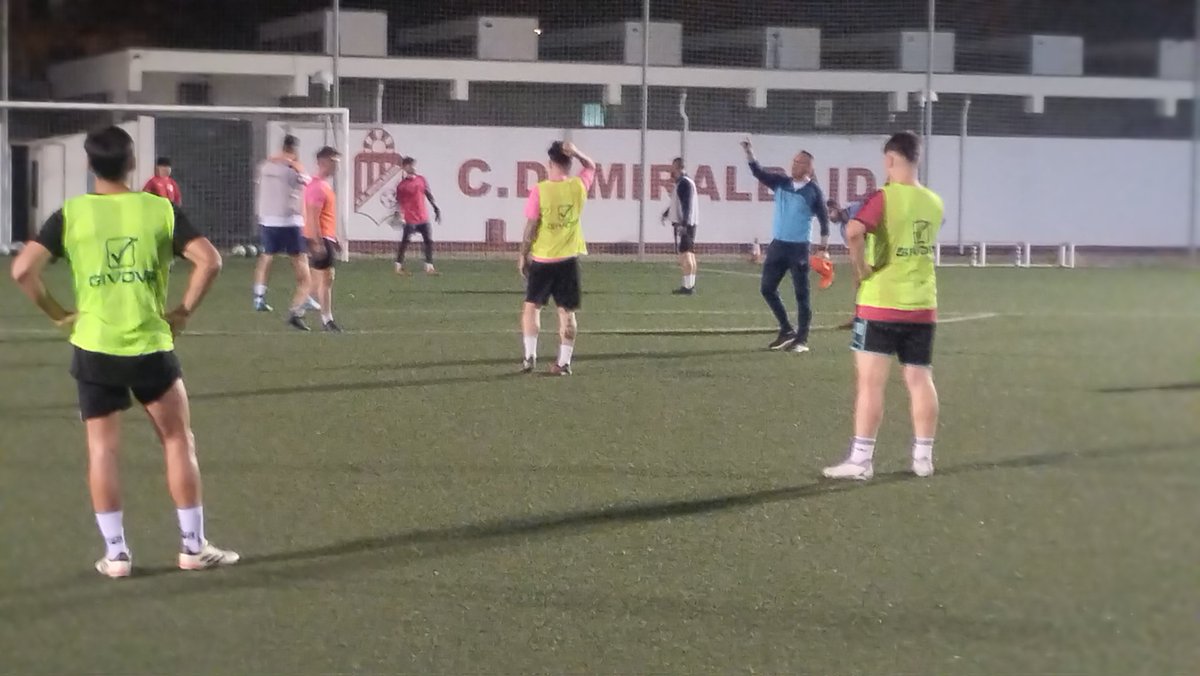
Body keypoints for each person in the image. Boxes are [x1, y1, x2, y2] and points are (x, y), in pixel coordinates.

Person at [10, 126, 238, 578]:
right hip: (150, 344)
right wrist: (183, 312)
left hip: (94, 347)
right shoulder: (159, 209)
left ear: (89, 165)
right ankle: (192, 547)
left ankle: (116, 555)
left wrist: (59, 314)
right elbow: (210, 260)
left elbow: (22, 270)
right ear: (133, 164)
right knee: (177, 440)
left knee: (102, 452)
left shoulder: (71, 214)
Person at [823, 132, 944, 481]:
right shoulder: (934, 202)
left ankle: (861, 460)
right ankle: (923, 457)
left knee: (871, 384)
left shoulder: (884, 197)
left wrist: (861, 269)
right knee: (920, 379)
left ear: (891, 160)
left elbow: (853, 231)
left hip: (880, 305)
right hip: (922, 304)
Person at [741, 138, 830, 353]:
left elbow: (824, 220)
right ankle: (786, 329)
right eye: (794, 161)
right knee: (767, 288)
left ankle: (802, 339)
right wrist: (749, 152)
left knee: (802, 294)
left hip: (798, 248)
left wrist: (823, 248)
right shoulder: (781, 182)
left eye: (799, 162)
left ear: (808, 167)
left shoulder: (813, 192)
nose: (794, 165)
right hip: (778, 246)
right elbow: (758, 172)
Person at [518, 140, 596, 375]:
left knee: (532, 307)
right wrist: (577, 151)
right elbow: (591, 165)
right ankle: (564, 363)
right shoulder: (578, 186)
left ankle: (529, 356)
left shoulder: (540, 190)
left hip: (543, 259)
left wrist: (523, 254)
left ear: (549, 163)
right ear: (570, 164)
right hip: (568, 261)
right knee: (567, 313)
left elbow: (531, 226)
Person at [253, 135, 317, 322]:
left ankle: (259, 296)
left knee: (266, 256)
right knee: (300, 259)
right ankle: (305, 296)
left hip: (267, 218)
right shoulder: (293, 169)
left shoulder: (264, 166)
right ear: (294, 149)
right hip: (289, 220)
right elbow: (308, 182)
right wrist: (297, 165)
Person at [304, 146, 343, 333]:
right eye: (334, 162)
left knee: (320, 279)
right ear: (323, 162)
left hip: (325, 237)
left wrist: (333, 238)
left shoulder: (323, 185)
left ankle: (298, 311)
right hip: (320, 238)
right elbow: (313, 216)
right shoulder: (318, 186)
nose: (336, 166)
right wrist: (317, 242)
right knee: (325, 278)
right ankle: (326, 319)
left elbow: (324, 216)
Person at [393, 156, 442, 276]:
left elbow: (428, 194)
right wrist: (399, 214)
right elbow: (399, 202)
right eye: (410, 165)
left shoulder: (421, 180)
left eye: (414, 165)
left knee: (428, 241)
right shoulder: (402, 185)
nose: (413, 167)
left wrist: (435, 208)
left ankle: (429, 267)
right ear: (404, 167)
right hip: (410, 219)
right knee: (405, 242)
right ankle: (398, 266)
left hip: (423, 217)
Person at [662, 157, 699, 295]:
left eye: (672, 167)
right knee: (689, 253)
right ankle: (689, 285)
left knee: (686, 254)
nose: (671, 170)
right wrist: (667, 213)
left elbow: (686, 205)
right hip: (690, 223)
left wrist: (684, 224)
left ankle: (688, 287)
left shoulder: (684, 183)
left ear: (677, 167)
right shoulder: (685, 182)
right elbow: (678, 203)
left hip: (687, 224)